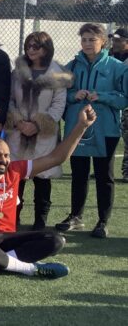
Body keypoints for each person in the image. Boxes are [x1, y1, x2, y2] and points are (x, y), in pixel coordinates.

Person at [0, 97, 97, 279]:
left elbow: (57, 158)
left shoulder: (15, 170)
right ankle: (29, 268)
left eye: (6, 155)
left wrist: (82, 126)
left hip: (5, 239)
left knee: (55, 240)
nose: (3, 160)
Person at [55, 23, 128, 238]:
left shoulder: (118, 67)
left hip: (106, 129)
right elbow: (61, 96)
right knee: (79, 173)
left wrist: (101, 96)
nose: (87, 43)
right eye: (84, 39)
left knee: (104, 175)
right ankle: (76, 216)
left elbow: (124, 99)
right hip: (77, 128)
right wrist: (74, 95)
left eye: (92, 39)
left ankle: (103, 221)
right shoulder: (71, 66)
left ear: (103, 41)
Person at [4, 32, 72, 230]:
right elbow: (9, 99)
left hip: (43, 135)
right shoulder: (17, 72)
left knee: (43, 177)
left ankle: (40, 222)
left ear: (46, 48)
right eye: (28, 46)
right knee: (16, 177)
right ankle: (12, 218)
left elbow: (59, 104)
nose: (31, 50)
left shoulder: (57, 73)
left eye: (36, 46)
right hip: (17, 133)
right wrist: (19, 122)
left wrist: (38, 125)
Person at [109, 28, 128, 180]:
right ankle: (104, 167)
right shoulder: (109, 56)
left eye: (118, 40)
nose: (114, 43)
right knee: (107, 136)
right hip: (111, 101)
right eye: (113, 40)